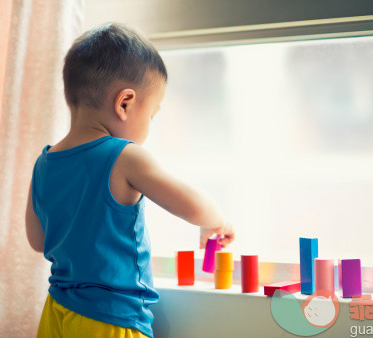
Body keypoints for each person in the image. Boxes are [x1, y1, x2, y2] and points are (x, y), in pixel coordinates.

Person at [25, 22, 235, 338]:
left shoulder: (44, 162)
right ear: (125, 103)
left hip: (56, 313)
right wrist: (215, 221)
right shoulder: (125, 157)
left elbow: (39, 241)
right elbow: (191, 205)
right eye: (151, 115)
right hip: (110, 320)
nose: (149, 126)